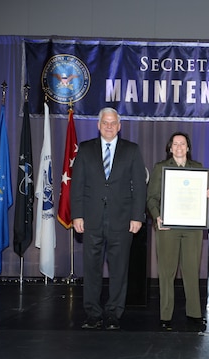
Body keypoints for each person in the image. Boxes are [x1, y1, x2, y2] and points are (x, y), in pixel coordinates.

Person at [71, 107, 147, 330]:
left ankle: (114, 312)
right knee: (92, 269)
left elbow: (139, 188)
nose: (109, 126)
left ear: (119, 126)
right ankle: (92, 313)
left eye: (113, 123)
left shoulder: (132, 150)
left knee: (119, 269)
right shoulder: (85, 150)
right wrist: (77, 215)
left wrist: (137, 217)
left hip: (122, 221)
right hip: (91, 220)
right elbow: (77, 186)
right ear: (98, 124)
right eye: (105, 122)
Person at [147, 132, 209, 332]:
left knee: (192, 270)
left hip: (192, 228)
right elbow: (151, 198)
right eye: (175, 144)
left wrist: (208, 194)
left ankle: (194, 313)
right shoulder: (161, 168)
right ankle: (165, 316)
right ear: (170, 148)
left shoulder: (198, 168)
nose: (178, 147)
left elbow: (201, 196)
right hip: (167, 227)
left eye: (182, 144)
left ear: (188, 148)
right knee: (167, 272)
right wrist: (157, 216)